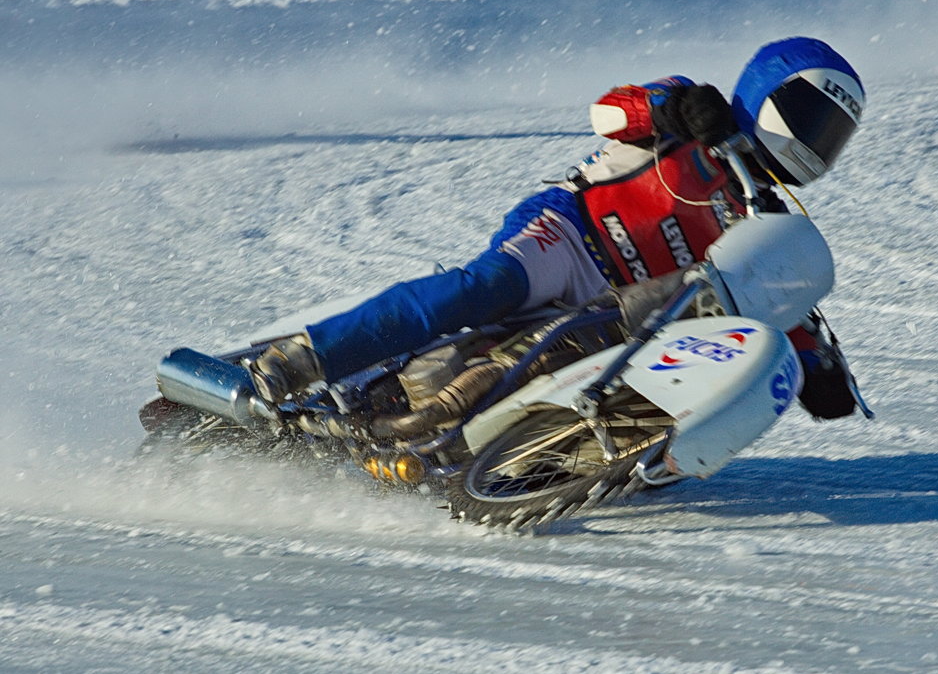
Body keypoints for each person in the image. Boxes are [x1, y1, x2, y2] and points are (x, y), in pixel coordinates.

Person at [251, 37, 865, 420]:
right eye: (811, 119)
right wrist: (672, 109)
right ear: (768, 96)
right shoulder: (690, 109)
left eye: (830, 135)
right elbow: (607, 111)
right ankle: (302, 359)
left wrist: (818, 370)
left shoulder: (764, 220)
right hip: (570, 236)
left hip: (621, 308)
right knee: (479, 287)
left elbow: (775, 308)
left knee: (618, 376)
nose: (814, 144)